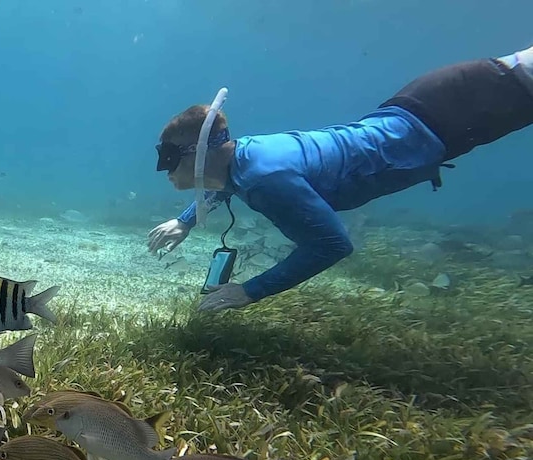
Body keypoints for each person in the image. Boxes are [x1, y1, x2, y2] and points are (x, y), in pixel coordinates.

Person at [148, 45, 533, 312]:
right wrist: (184, 221)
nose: (162, 169)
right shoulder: (241, 158)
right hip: (429, 107)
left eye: (167, 157)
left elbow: (331, 245)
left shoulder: (267, 180)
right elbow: (226, 183)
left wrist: (249, 291)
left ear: (199, 153)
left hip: (452, 112)